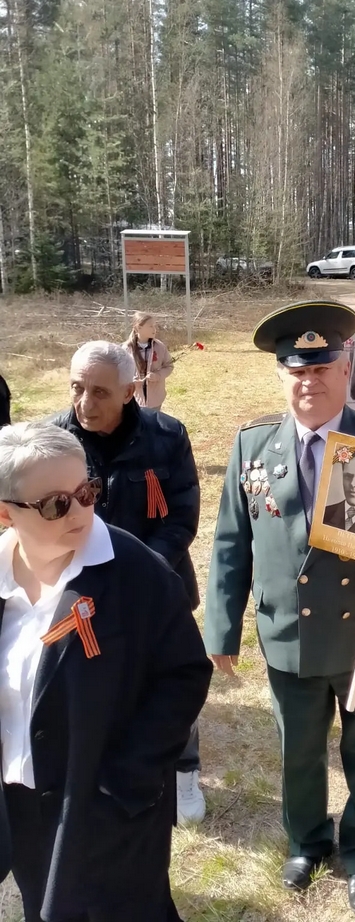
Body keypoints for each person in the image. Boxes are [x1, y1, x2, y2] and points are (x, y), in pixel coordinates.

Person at [204, 301, 355, 915]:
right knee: (298, 748)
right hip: (288, 628)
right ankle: (307, 840)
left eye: (321, 370)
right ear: (281, 375)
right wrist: (222, 628)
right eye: (297, 371)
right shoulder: (252, 447)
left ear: (345, 371)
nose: (309, 383)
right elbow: (230, 541)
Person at [0, 421, 211, 922]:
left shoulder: (136, 573)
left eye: (86, 492)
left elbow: (184, 674)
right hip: (21, 806)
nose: (80, 513)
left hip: (105, 809)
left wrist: (125, 784)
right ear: (6, 513)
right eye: (56, 505)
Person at [51, 340, 206, 825]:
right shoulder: (54, 441)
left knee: (168, 684)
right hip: (80, 593)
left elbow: (181, 515)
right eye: (77, 388)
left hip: (156, 586)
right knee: (92, 687)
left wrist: (142, 575)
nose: (85, 404)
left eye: (99, 392)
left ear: (129, 391)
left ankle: (184, 771)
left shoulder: (165, 436)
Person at [123, 311, 174, 412]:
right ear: (138, 327)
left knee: (152, 424)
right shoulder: (126, 349)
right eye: (150, 326)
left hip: (156, 399)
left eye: (154, 326)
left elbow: (169, 366)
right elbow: (120, 372)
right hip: (134, 399)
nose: (154, 329)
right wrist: (131, 382)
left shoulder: (159, 346)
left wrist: (158, 375)